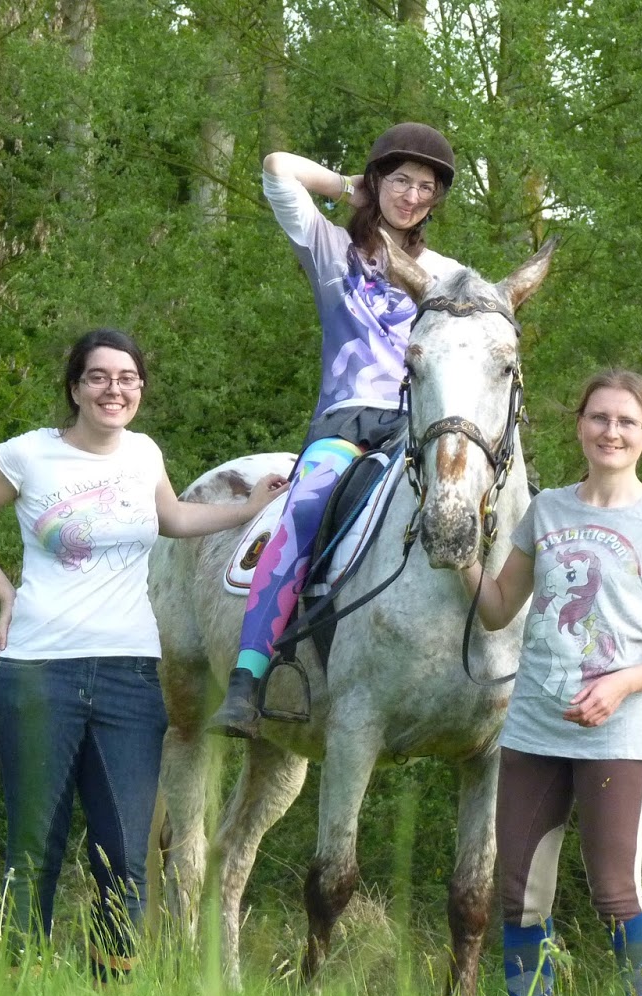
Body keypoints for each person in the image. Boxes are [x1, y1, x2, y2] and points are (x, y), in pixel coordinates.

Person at [0, 329, 288, 978]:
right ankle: (20, 988)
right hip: (39, 674)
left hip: (129, 678)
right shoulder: (26, 457)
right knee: (34, 848)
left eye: (127, 378)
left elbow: (175, 520)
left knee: (124, 851)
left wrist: (249, 507)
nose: (114, 389)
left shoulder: (145, 454)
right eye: (98, 377)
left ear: (140, 391)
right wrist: (5, 595)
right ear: (74, 388)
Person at [459, 369, 642, 996]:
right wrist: (460, 558)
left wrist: (621, 683)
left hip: (616, 739)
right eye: (599, 417)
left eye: (627, 421)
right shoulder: (548, 511)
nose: (611, 431)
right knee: (521, 899)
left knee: (616, 895)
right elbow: (499, 609)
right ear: (579, 426)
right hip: (534, 730)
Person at [209, 122, 463, 737]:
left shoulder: (450, 276)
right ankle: (248, 678)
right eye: (399, 179)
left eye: (424, 186)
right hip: (346, 420)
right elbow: (277, 164)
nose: (411, 195)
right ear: (377, 181)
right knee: (304, 510)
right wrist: (353, 189)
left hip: (416, 426)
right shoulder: (329, 248)